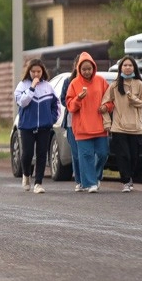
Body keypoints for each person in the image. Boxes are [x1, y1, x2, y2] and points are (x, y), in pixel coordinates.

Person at [64, 51, 110, 193]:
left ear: (94, 67)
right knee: (86, 156)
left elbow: (110, 99)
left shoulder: (101, 81)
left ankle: (95, 176)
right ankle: (90, 183)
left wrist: (106, 107)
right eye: (83, 69)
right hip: (82, 128)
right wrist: (78, 98)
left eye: (89, 69)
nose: (87, 72)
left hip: (100, 126)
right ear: (78, 69)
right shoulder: (74, 83)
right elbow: (70, 106)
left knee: (103, 154)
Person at [14, 58, 58, 194]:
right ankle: (26, 174)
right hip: (27, 126)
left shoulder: (48, 86)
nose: (36, 74)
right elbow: (22, 102)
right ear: (29, 71)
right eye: (33, 71)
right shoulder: (22, 85)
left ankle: (38, 183)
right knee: (27, 153)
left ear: (42, 71)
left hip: (44, 126)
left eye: (38, 71)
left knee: (41, 154)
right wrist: (32, 87)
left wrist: (51, 119)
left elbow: (55, 105)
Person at [102, 55, 142, 192]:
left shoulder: (139, 84)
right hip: (119, 127)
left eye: (130, 65)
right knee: (123, 156)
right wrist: (107, 123)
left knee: (133, 157)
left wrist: (133, 98)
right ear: (120, 68)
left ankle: (130, 177)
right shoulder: (115, 85)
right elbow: (104, 104)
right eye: (125, 65)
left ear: (134, 68)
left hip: (136, 128)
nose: (127, 68)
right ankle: (126, 181)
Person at [56, 59, 84, 191]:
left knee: (89, 153)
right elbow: (63, 99)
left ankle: (90, 179)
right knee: (76, 153)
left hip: (88, 122)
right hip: (71, 122)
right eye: (80, 65)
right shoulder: (68, 81)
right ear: (76, 66)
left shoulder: (94, 81)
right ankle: (79, 180)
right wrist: (74, 103)